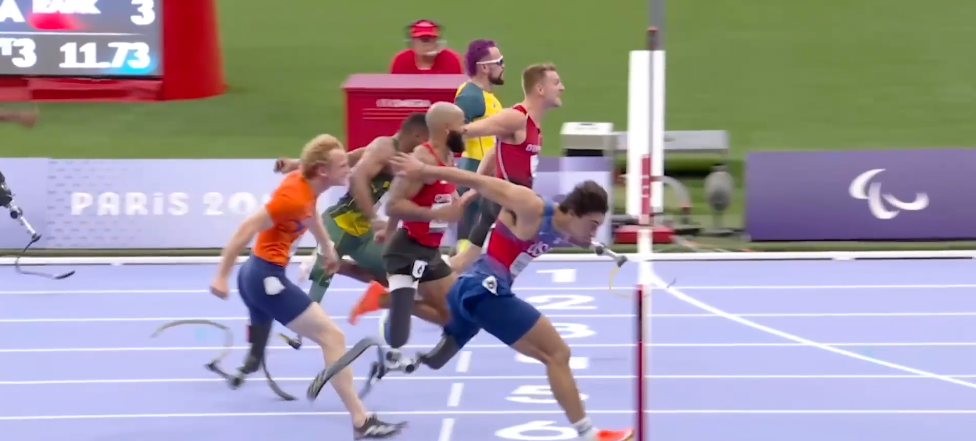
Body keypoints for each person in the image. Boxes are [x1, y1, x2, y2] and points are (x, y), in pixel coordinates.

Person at [386, 153, 633, 441]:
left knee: (437, 359)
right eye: (592, 225)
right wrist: (424, 169)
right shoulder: (530, 206)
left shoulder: (565, 228)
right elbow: (478, 181)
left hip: (468, 292)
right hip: (484, 289)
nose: (593, 233)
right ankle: (589, 434)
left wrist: (591, 242)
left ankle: (401, 347)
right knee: (557, 354)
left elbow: (569, 235)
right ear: (575, 212)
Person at [208, 134, 405, 439]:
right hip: (264, 278)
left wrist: (327, 248)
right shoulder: (293, 197)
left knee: (269, 326)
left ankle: (252, 361)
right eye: (342, 165)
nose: (350, 168)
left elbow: (310, 214)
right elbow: (246, 227)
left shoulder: (309, 187)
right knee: (333, 337)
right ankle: (361, 420)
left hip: (256, 273)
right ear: (323, 171)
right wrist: (221, 275)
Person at [271, 113, 447, 348]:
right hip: (340, 223)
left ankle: (343, 270)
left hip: (363, 234)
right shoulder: (384, 146)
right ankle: (300, 332)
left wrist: (296, 163)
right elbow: (356, 177)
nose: (428, 147)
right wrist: (374, 218)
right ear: (417, 135)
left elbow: (349, 158)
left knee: (386, 275)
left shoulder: (399, 155)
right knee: (322, 276)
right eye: (426, 141)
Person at [351, 102, 476, 370]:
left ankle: (427, 354)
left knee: (460, 314)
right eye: (462, 125)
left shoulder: (447, 156)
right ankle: (384, 299)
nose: (466, 130)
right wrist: (436, 214)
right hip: (406, 253)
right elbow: (394, 204)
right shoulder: (422, 160)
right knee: (398, 337)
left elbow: (440, 192)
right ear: (446, 129)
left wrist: (457, 202)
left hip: (428, 250)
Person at [452, 63, 565, 272]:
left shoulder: (534, 126)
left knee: (467, 260)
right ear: (540, 89)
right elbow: (475, 129)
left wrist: (476, 189)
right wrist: (453, 133)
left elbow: (493, 152)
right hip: (506, 201)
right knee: (506, 259)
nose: (562, 88)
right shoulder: (517, 117)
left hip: (504, 199)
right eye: (556, 83)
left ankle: (430, 281)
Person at [453, 39, 506, 255]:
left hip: (485, 172)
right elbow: (453, 132)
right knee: (469, 240)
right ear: (484, 67)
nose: (503, 66)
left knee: (476, 238)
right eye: (499, 62)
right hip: (476, 170)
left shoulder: (484, 96)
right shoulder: (471, 96)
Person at [389, 20, 462, 75]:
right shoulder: (401, 60)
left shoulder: (451, 59)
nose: (427, 44)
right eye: (423, 40)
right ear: (412, 42)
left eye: (430, 39)